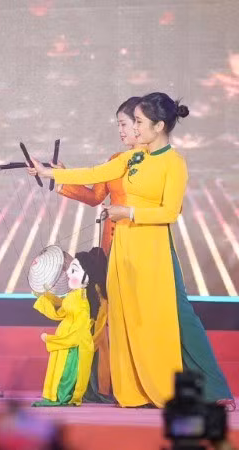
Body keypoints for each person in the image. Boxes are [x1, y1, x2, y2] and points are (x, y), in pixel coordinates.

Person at [28, 93, 234, 410]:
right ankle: (137, 389)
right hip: (124, 245)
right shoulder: (133, 158)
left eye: (138, 122)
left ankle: (207, 390)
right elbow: (95, 174)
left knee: (175, 317)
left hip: (153, 246)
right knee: (127, 318)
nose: (133, 129)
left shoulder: (173, 163)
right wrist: (50, 173)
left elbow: (170, 211)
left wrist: (131, 213)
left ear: (159, 125)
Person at [51, 96, 144, 403]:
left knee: (139, 313)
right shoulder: (117, 159)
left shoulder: (156, 162)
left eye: (125, 124)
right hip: (112, 242)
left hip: (143, 243)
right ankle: (112, 383)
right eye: (119, 124)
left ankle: (142, 380)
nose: (120, 130)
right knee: (109, 312)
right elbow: (94, 196)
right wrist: (62, 176)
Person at [32, 248, 106, 407]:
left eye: (74, 270)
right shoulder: (75, 296)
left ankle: (64, 396)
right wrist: (43, 294)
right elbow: (62, 312)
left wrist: (51, 339)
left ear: (87, 277)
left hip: (73, 347)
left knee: (66, 374)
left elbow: (77, 333)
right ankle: (58, 396)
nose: (67, 274)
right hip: (67, 343)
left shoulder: (82, 302)